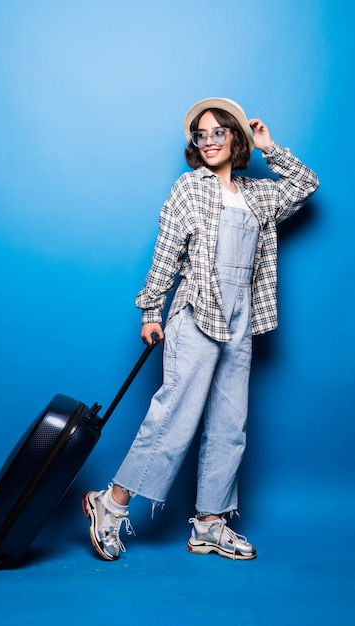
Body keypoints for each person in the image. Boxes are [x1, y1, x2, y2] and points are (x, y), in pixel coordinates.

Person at [82, 97, 319, 561]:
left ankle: (210, 522)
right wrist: (151, 312)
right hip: (197, 311)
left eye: (218, 132)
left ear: (236, 138)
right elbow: (166, 252)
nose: (208, 141)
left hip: (242, 316)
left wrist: (270, 147)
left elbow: (305, 185)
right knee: (175, 416)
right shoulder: (191, 189)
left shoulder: (258, 194)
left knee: (231, 425)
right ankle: (110, 503)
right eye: (200, 135)